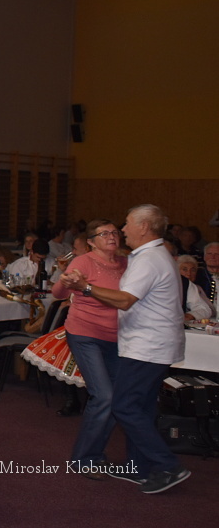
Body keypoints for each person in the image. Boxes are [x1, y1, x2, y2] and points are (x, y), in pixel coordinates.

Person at [61, 204, 189, 494]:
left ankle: (167, 464)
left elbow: (124, 300)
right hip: (152, 344)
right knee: (141, 406)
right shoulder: (154, 255)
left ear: (143, 227)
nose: (123, 230)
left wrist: (86, 287)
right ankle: (138, 467)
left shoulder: (149, 259)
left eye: (127, 223)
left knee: (125, 406)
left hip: (147, 346)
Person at [50, 220, 127, 476]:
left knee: (116, 398)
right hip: (85, 333)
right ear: (92, 242)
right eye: (104, 234)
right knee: (104, 395)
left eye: (114, 232)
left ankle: (95, 453)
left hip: (117, 337)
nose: (111, 236)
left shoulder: (126, 263)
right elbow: (58, 293)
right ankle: (85, 459)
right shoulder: (83, 262)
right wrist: (65, 281)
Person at [175, 255, 214, 321]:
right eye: (185, 269)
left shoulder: (188, 285)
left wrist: (189, 316)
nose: (189, 273)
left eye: (193, 270)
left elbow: (204, 309)